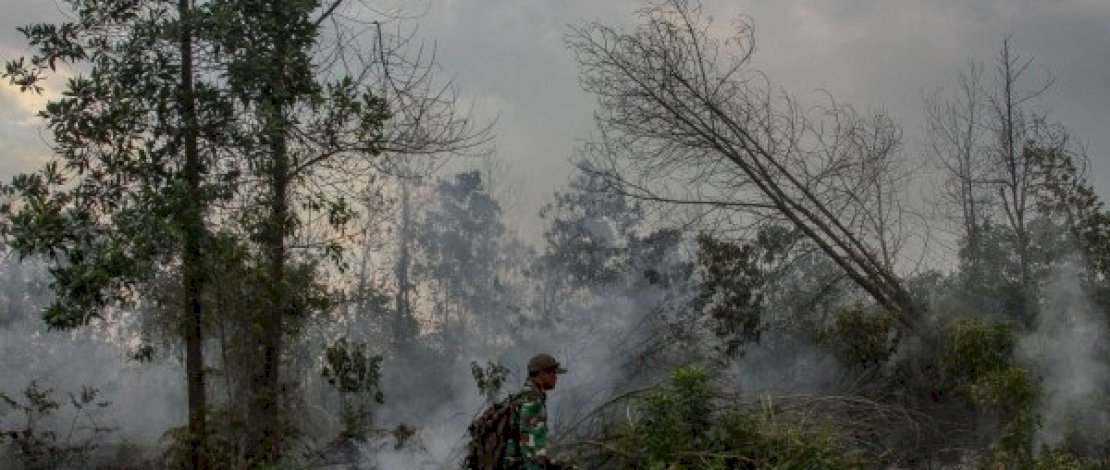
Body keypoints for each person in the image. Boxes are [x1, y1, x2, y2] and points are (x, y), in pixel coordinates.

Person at [504, 353, 569, 470]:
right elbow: (529, 445)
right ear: (541, 373)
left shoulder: (527, 395)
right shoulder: (532, 400)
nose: (555, 377)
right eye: (552, 372)